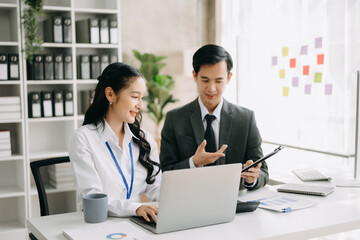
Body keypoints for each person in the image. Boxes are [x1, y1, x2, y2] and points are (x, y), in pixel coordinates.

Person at [160, 44, 268, 190]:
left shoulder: (245, 118)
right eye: (205, 80)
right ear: (194, 76)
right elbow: (165, 172)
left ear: (229, 78)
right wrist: (193, 162)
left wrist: (252, 179)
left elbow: (263, 173)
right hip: (190, 200)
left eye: (218, 81)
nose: (211, 88)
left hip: (234, 204)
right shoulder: (175, 119)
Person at [69, 62, 161, 222]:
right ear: (110, 94)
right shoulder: (83, 138)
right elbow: (94, 197)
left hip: (138, 224)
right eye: (134, 97)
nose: (140, 105)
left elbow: (157, 189)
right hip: (99, 225)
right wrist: (136, 207)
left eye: (142, 98)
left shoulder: (144, 139)